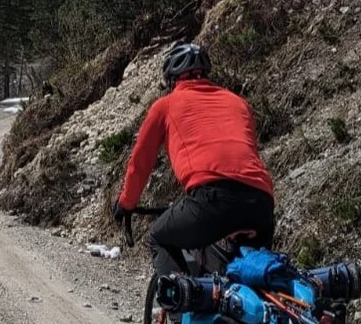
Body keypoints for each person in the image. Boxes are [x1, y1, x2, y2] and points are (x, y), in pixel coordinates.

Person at [112, 43, 275, 280]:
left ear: (172, 80)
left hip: (211, 200)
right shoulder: (238, 103)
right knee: (249, 275)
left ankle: (180, 314)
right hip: (261, 202)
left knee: (159, 236)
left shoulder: (165, 106)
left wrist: (126, 203)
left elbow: (140, 163)